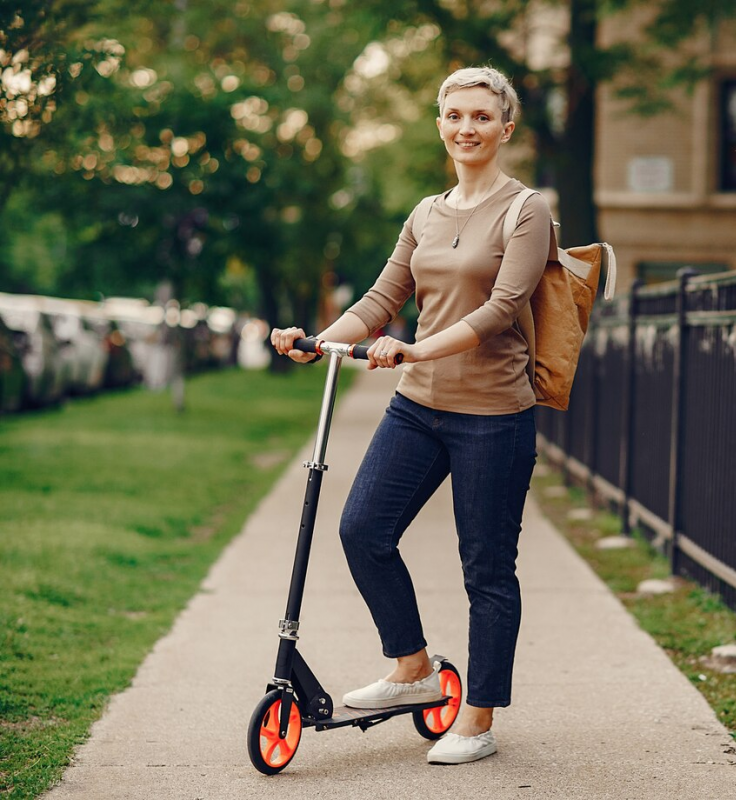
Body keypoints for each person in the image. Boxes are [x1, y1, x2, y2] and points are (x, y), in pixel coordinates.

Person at [270, 66, 553, 765]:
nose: (467, 127)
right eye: (455, 115)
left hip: (494, 415)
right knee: (362, 528)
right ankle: (413, 669)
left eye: (482, 117)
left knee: (486, 569)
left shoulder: (526, 210)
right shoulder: (426, 213)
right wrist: (320, 341)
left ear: (505, 128)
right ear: (440, 124)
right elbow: (380, 299)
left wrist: (416, 346)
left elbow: (499, 312)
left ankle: (478, 719)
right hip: (418, 407)